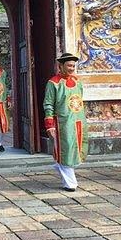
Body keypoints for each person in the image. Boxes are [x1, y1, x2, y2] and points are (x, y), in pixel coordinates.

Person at [43, 53, 89, 192]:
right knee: (66, 149)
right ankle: (70, 183)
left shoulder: (78, 82)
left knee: (77, 148)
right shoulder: (53, 83)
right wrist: (49, 124)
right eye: (69, 65)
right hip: (63, 122)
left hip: (78, 121)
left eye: (73, 66)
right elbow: (48, 104)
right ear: (60, 66)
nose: (71, 68)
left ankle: (60, 166)